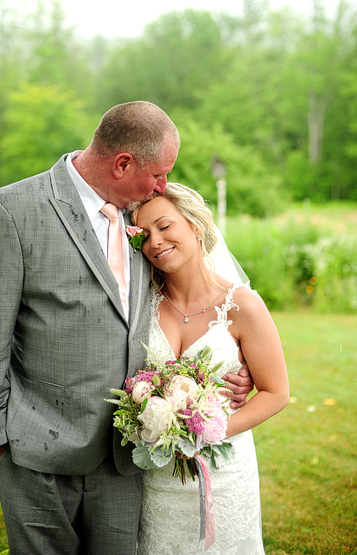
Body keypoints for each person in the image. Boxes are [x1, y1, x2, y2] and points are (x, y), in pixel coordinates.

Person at [0, 101, 254, 554]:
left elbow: (188, 304)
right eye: (159, 173)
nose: (164, 185)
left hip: (126, 457)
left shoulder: (146, 219)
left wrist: (232, 368)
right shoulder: (12, 210)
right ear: (123, 163)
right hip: (36, 451)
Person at [131, 183, 288, 553]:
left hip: (224, 470)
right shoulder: (139, 303)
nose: (155, 242)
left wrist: (203, 433)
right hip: (155, 474)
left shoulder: (243, 306)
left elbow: (276, 393)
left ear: (196, 225)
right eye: (145, 235)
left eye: (165, 226)